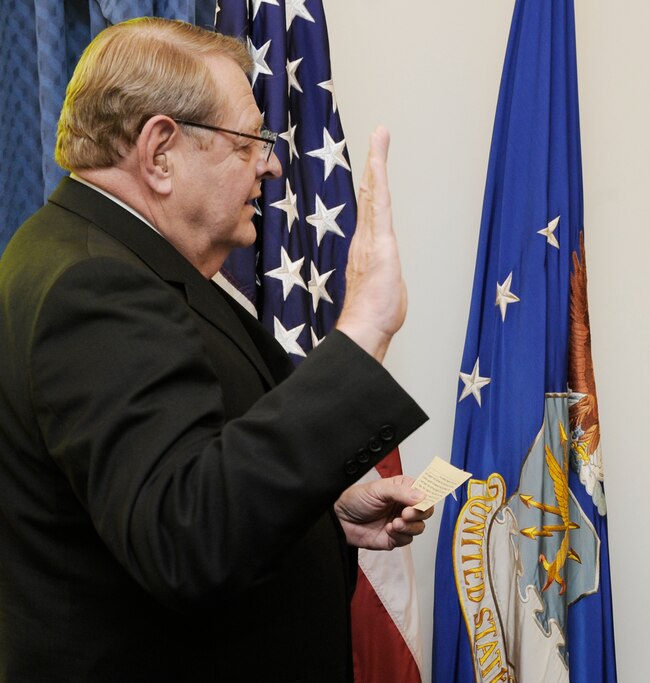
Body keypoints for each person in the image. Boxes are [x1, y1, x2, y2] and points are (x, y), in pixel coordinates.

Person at [0, 17, 430, 682]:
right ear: (161, 152)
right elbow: (186, 540)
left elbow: (185, 475)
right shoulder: (95, 286)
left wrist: (319, 512)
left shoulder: (106, 257)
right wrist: (362, 330)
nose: (272, 161)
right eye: (247, 141)